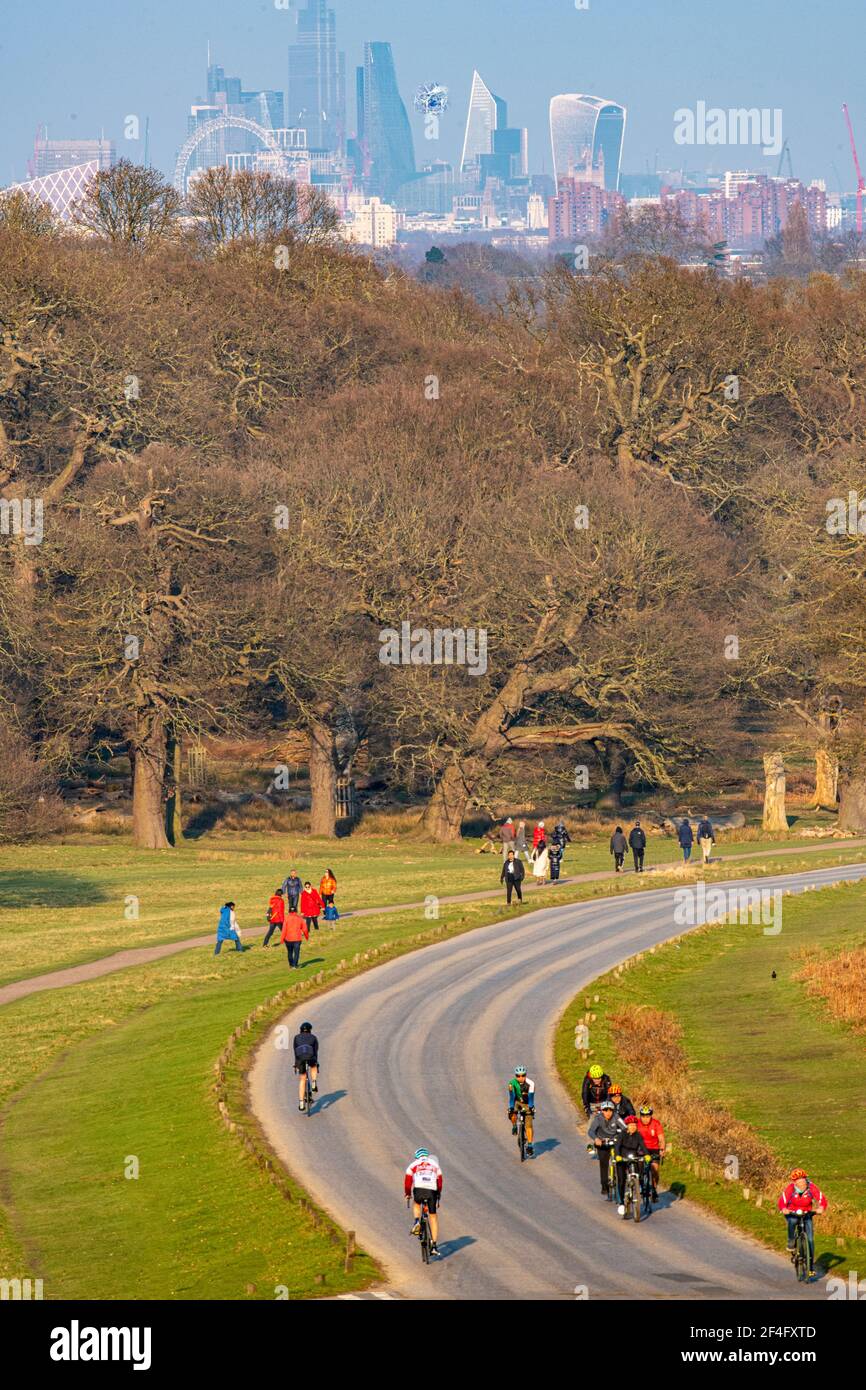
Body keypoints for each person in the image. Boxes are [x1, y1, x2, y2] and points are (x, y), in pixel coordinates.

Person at [777, 1168, 827, 1279]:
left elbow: (821, 1198)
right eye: (799, 1181)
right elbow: (782, 1200)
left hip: (807, 1213)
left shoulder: (811, 1187)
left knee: (810, 1240)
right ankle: (791, 1241)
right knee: (793, 1221)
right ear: (794, 1182)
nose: (802, 1183)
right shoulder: (790, 1189)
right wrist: (784, 1208)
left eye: (803, 1180)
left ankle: (810, 1268)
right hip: (792, 1212)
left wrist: (821, 1207)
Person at [404, 1147, 443, 1256]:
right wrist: (438, 1194)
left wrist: (407, 1194)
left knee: (416, 1203)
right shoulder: (435, 1164)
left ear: (417, 1157)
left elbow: (408, 1182)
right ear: (427, 1156)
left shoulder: (413, 1165)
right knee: (433, 1217)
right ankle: (434, 1246)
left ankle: (417, 1222)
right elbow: (439, 1181)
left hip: (419, 1190)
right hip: (432, 1191)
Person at [588, 1099, 625, 1196]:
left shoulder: (616, 1117)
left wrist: (623, 1137)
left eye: (610, 1110)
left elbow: (624, 1128)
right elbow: (591, 1131)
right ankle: (604, 1185)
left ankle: (622, 1182)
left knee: (620, 1162)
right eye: (605, 1110)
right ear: (602, 1110)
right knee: (604, 1164)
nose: (608, 1112)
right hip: (602, 1143)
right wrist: (596, 1139)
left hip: (614, 1141)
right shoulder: (598, 1118)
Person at [614, 1115, 649, 1214]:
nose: (633, 1127)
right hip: (621, 1158)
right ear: (627, 1125)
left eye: (634, 1125)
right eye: (631, 1125)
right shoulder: (622, 1134)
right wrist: (617, 1156)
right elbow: (617, 1146)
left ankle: (637, 1189)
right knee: (621, 1180)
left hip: (633, 1157)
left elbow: (643, 1145)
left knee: (639, 1173)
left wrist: (647, 1155)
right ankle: (621, 1202)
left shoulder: (638, 1135)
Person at [636, 1105, 666, 1202]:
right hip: (641, 1149)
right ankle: (641, 1186)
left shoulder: (656, 1124)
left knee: (655, 1171)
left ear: (651, 1116)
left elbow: (661, 1138)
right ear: (640, 1116)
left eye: (648, 1116)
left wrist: (662, 1149)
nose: (645, 1118)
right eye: (643, 1116)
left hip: (654, 1148)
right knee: (640, 1169)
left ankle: (654, 1189)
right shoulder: (636, 1123)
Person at [507, 1065, 535, 1158]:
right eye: (518, 1076)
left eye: (523, 1075)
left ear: (525, 1075)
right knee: (512, 1113)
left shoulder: (531, 1083)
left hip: (527, 1103)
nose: (521, 1078)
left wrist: (531, 1108)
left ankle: (530, 1146)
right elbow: (512, 1098)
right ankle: (514, 1126)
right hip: (517, 1101)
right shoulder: (511, 1083)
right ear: (515, 1076)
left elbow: (531, 1098)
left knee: (529, 1125)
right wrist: (511, 1108)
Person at [293, 1021, 319, 1112]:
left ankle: (301, 1103)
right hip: (310, 1056)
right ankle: (314, 1083)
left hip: (300, 1058)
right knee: (313, 1066)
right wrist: (316, 1062)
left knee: (302, 1079)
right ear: (310, 1030)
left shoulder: (296, 1038)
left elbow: (295, 1052)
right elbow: (315, 1052)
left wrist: (296, 1064)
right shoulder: (314, 1038)